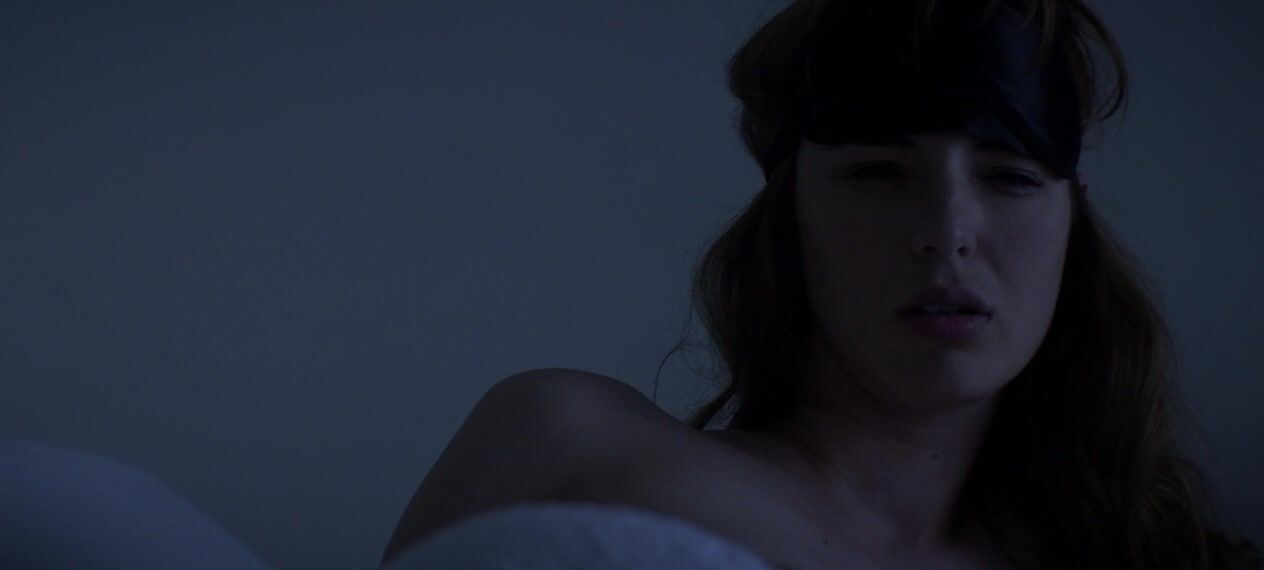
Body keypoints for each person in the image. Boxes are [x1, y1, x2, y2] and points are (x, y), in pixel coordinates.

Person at [382, 0, 1261, 568]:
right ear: (791, 211)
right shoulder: (571, 441)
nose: (948, 232)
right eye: (879, 172)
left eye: (1011, 178)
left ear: (1073, 220)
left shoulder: (1145, 554)